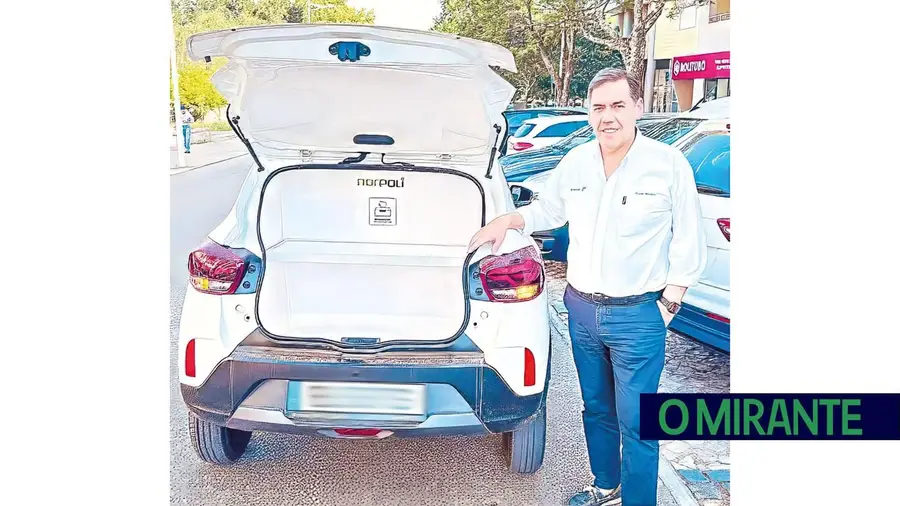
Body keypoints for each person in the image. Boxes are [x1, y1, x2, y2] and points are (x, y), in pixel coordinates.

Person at [468, 68, 707, 506]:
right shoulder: (576, 162)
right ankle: (606, 485)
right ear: (588, 112)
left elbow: (689, 241)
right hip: (580, 310)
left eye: (618, 105)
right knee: (596, 409)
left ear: (638, 107)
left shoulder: (667, 164)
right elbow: (547, 210)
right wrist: (509, 219)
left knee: (637, 422)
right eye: (598, 107)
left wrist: (669, 304)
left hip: (639, 315)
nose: (607, 117)